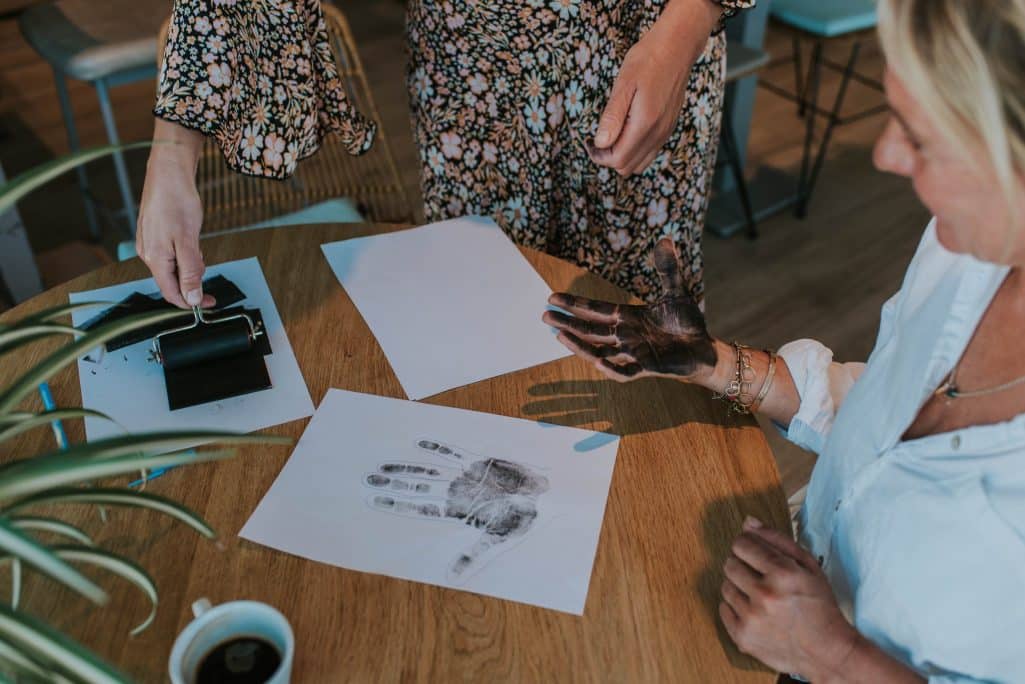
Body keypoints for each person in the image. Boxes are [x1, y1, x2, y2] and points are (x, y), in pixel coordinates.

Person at [543, 0, 1025, 680]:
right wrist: (723, 366)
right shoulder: (965, 253)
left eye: (923, 139)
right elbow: (880, 414)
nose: (883, 154)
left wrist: (835, 657)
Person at [136, 0, 753, 309]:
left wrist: (690, 20)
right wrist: (172, 151)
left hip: (647, 51)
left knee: (639, 320)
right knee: (482, 311)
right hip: (472, 78)